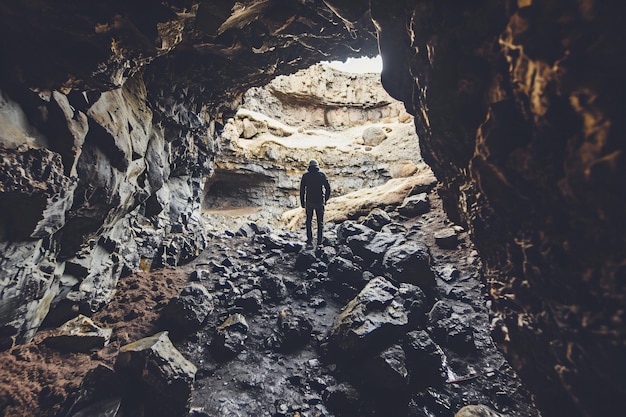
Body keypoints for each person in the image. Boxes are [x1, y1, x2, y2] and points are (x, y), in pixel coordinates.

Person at [300, 159, 331, 247]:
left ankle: (309, 240)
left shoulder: (305, 175)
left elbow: (302, 190)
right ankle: (319, 242)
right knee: (320, 222)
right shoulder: (322, 174)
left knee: (309, 221)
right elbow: (328, 188)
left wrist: (302, 202)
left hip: (309, 202)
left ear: (309, 166)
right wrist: (325, 200)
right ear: (317, 166)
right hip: (319, 202)